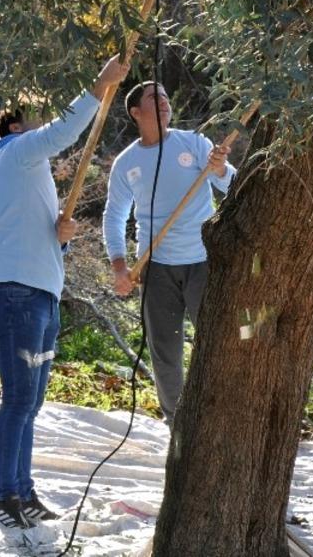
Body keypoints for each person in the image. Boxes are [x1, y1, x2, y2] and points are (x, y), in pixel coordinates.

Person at [0, 55, 129, 528]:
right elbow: (64, 133)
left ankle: (22, 491)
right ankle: (3, 495)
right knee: (18, 400)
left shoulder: (27, 168)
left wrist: (58, 238)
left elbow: (32, 233)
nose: (45, 123)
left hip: (41, 293)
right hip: (17, 295)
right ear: (17, 123)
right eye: (39, 114)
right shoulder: (16, 151)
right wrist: (100, 85)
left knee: (32, 403)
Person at [103, 81, 235, 426]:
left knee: (215, 343)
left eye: (165, 95)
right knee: (165, 352)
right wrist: (119, 265)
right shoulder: (126, 162)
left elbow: (232, 185)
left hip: (204, 262)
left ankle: (217, 418)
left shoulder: (194, 143)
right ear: (135, 112)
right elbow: (114, 215)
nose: (163, 101)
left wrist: (220, 168)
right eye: (153, 97)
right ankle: (178, 423)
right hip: (155, 267)